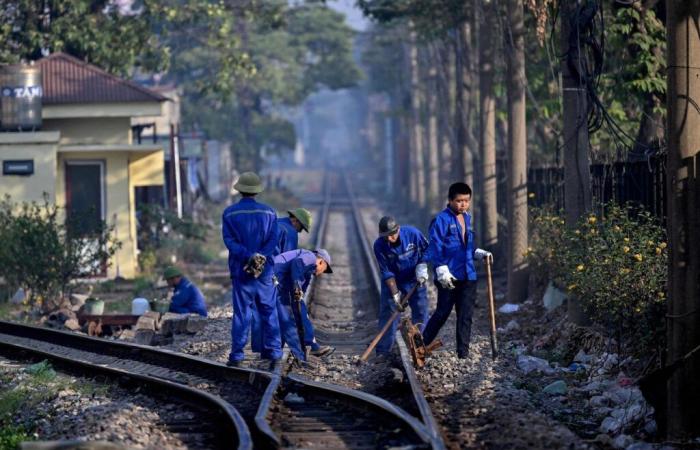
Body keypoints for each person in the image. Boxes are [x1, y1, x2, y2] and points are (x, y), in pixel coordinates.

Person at [422, 182, 492, 359]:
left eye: (466, 201)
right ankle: (420, 344)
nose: (463, 204)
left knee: (465, 315)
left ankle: (463, 354)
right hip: (448, 275)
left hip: (468, 274)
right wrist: (440, 268)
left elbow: (468, 245)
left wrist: (478, 253)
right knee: (442, 312)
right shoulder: (441, 220)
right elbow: (435, 247)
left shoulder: (467, 218)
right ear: (450, 200)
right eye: (459, 201)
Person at [222, 172, 281, 369]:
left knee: (242, 313)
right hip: (265, 271)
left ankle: (237, 355)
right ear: (257, 191)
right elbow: (273, 240)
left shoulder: (229, 213)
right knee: (268, 310)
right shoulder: (270, 213)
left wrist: (248, 256)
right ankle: (274, 352)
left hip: (241, 271)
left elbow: (230, 242)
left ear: (240, 191)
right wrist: (261, 256)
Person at [263, 248, 334, 365]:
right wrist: (297, 284)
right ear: (321, 262)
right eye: (324, 270)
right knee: (286, 319)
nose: (321, 273)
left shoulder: (308, 271)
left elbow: (302, 293)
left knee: (296, 311)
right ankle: (301, 355)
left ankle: (307, 345)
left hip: (278, 282)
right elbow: (297, 263)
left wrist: (299, 296)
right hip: (275, 280)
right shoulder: (310, 257)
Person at [372, 216, 429, 355]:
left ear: (398, 229)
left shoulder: (413, 234)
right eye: (386, 236)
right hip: (393, 281)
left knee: (421, 311)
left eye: (392, 235)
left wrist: (422, 265)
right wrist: (395, 294)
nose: (389, 239)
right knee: (388, 314)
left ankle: (420, 347)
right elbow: (386, 271)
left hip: (414, 279)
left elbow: (428, 249)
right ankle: (383, 351)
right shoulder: (379, 245)